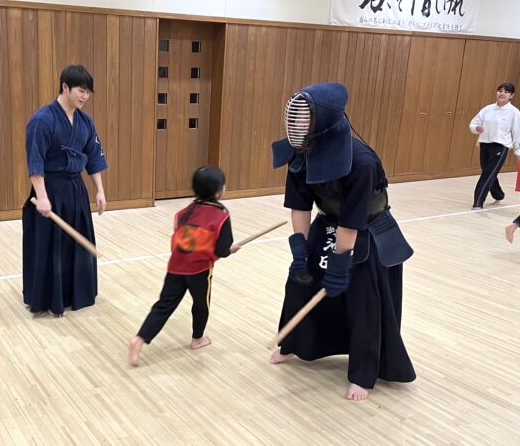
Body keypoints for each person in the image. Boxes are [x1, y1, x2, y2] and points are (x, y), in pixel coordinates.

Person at [268, 82, 416, 401]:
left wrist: (339, 266)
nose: (296, 126)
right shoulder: (301, 151)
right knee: (300, 283)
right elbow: (299, 206)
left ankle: (363, 373)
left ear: (324, 121)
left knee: (363, 301)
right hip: (328, 224)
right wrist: (299, 250)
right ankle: (294, 344)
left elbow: (352, 222)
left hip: (368, 233)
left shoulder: (361, 161)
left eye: (304, 119)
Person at [128, 166, 240, 366]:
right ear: (218, 190)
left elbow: (183, 242)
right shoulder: (221, 214)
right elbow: (222, 250)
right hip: (199, 271)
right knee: (201, 305)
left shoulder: (183, 212)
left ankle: (139, 339)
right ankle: (198, 339)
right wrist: (231, 249)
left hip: (175, 268)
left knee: (163, 306)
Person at [22, 64, 108, 316]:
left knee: (76, 245)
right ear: (65, 87)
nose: (84, 97)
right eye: (81, 91)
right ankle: (49, 299)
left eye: (88, 93)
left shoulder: (85, 121)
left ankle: (76, 295)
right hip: (49, 189)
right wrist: (43, 197)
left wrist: (99, 190)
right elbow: (35, 162)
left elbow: (93, 156)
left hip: (75, 189)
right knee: (51, 247)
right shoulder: (42, 120)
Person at [469, 82, 520, 210]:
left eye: (506, 91)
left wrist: (518, 152)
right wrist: (476, 128)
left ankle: (478, 202)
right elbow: (473, 124)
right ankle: (499, 194)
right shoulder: (487, 109)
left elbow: (518, 133)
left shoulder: (514, 112)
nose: (502, 93)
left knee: (487, 174)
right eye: (500, 90)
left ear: (511, 95)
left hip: (500, 147)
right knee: (488, 171)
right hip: (484, 145)